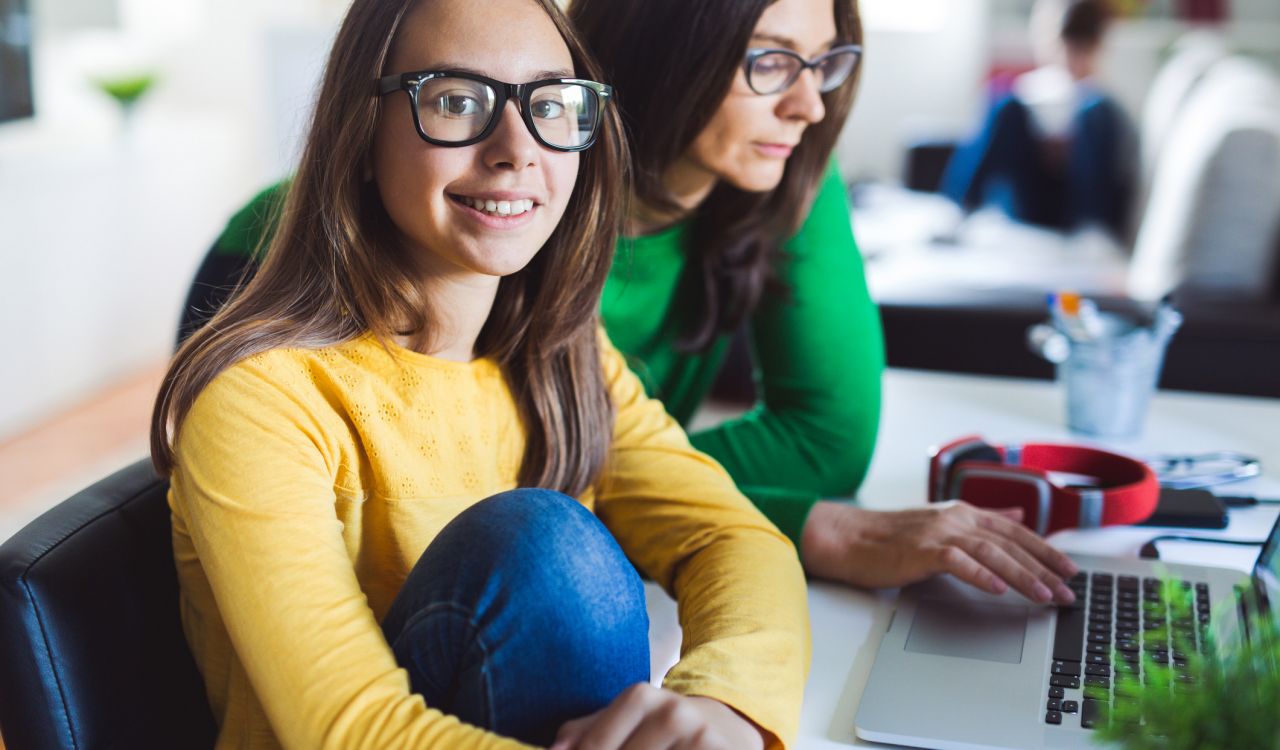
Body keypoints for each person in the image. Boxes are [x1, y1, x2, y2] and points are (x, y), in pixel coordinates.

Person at [181, 0, 1078, 605]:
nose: (808, 104)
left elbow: (824, 442)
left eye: (824, 62)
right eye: (770, 62)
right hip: (280, 299)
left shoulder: (778, 155)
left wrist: (678, 501)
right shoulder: (515, 211)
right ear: (668, 46)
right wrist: (781, 521)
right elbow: (490, 501)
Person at [152, 0, 810, 747]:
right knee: (547, 546)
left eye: (551, 105)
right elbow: (355, 730)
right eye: (457, 101)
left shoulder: (562, 357)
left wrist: (728, 709)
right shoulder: (262, 399)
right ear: (361, 135)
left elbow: (736, 540)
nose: (516, 148)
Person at [941, 0, 1135, 238]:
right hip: (1030, 201)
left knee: (1094, 112)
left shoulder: (1102, 105)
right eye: (1064, 46)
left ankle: (1093, 235)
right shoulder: (1026, 93)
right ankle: (957, 211)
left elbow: (1119, 169)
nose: (1069, 58)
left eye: (1079, 48)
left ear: (1095, 46)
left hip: (1079, 206)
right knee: (1006, 106)